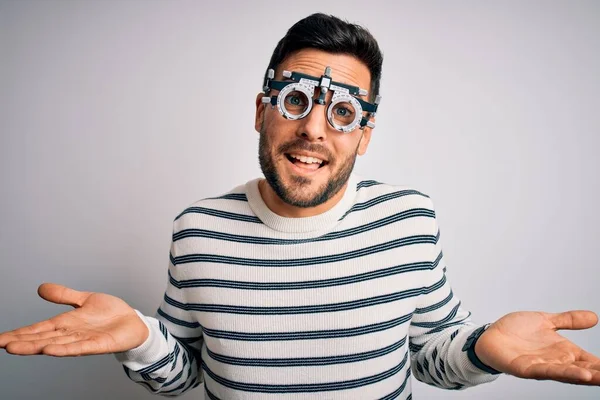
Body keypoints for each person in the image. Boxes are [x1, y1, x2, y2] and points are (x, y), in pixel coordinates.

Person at [1, 13, 598, 400]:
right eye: (294, 100)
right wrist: (140, 339)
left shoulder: (411, 219)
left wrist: (481, 347)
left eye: (342, 112)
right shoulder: (198, 229)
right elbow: (185, 374)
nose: (314, 129)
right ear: (261, 111)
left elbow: (430, 359)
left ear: (364, 135)